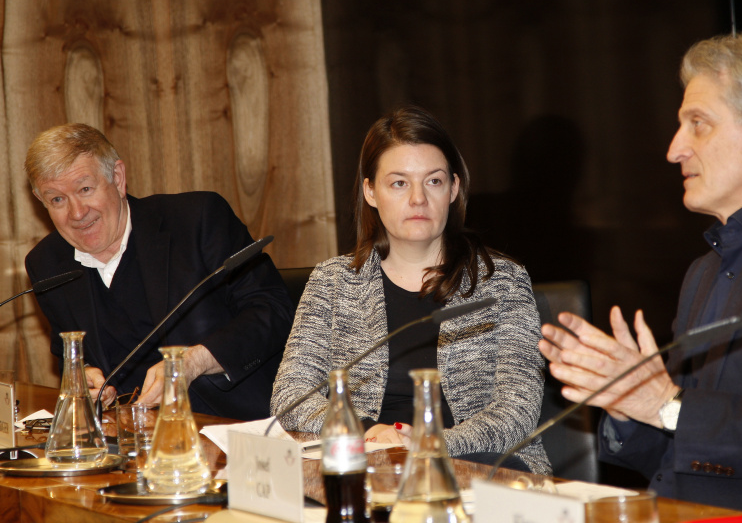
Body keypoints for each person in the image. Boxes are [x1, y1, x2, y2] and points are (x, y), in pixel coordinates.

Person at [539, 29, 742, 511]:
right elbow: (676, 456)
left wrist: (664, 403)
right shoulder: (703, 273)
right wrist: (627, 405)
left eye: (698, 123)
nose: (674, 149)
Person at [271, 105, 551, 474]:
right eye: (399, 183)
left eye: (433, 181)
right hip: (361, 465)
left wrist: (424, 445)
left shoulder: (504, 282)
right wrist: (368, 434)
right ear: (371, 191)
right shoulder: (332, 281)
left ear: (453, 188)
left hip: (476, 467)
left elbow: (517, 411)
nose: (418, 199)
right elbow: (291, 397)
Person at [24, 123, 294, 420]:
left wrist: (194, 361)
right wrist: (82, 375)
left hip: (231, 424)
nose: (76, 213)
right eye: (57, 200)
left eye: (85, 189)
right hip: (128, 437)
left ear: (117, 177)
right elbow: (67, 352)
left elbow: (274, 310)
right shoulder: (47, 263)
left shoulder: (196, 220)